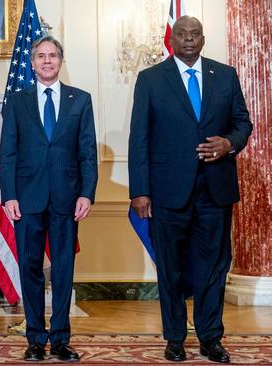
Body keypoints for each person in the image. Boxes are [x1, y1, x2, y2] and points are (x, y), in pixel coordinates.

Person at [128, 16, 252, 364]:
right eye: (181, 34)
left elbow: (243, 123)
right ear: (172, 39)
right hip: (168, 192)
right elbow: (139, 139)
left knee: (213, 267)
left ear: (202, 38)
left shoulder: (224, 75)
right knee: (171, 268)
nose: (188, 39)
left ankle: (211, 338)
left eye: (194, 34)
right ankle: (175, 338)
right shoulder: (151, 79)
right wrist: (140, 191)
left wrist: (229, 143)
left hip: (215, 190)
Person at [0, 35, 98, 362]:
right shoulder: (17, 101)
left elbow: (87, 153)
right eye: (41, 56)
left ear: (60, 60)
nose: (47, 61)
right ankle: (34, 339)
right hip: (26, 198)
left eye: (53, 55)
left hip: (68, 199)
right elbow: (9, 153)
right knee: (29, 267)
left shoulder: (80, 100)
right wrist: (9, 195)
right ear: (32, 61)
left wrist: (87, 193)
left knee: (63, 269)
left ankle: (60, 340)